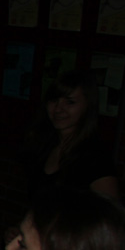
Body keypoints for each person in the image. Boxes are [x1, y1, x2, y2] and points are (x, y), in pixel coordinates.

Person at [23, 70, 119, 199]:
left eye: (70, 102)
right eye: (54, 100)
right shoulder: (43, 144)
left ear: (87, 105)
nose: (58, 109)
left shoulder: (95, 158)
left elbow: (109, 209)